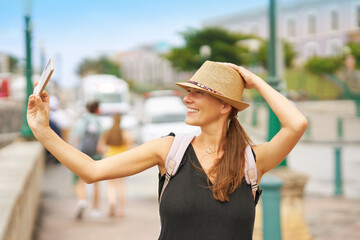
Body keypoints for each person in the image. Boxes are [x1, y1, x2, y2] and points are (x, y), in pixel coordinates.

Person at [27, 61, 307, 239]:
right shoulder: (169, 150)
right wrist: (43, 131)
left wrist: (253, 80)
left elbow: (296, 124)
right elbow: (92, 170)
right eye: (189, 92)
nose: (187, 98)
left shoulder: (251, 161)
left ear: (225, 106)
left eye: (199, 93)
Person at [97, 114, 134, 218]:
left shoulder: (107, 133)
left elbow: (100, 148)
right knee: (121, 185)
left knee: (111, 184)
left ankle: (112, 201)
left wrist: (107, 150)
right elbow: (131, 146)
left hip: (109, 159)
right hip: (122, 161)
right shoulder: (125, 133)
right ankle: (121, 210)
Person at [71, 101, 103, 220]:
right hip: (95, 155)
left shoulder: (82, 121)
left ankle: (82, 200)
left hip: (82, 153)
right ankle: (95, 209)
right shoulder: (99, 122)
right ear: (97, 110)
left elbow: (76, 138)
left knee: (79, 180)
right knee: (96, 182)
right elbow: (101, 140)